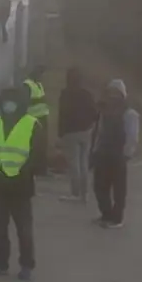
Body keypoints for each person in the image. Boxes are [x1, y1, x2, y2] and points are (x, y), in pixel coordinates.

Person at [0, 87, 42, 281]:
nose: (9, 105)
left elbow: (37, 156)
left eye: (12, 101)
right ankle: (0, 264)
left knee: (23, 228)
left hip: (20, 186)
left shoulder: (32, 124)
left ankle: (26, 265)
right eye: (6, 101)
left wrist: (25, 173)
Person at [90, 79, 140, 228]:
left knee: (118, 189)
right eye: (110, 92)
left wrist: (127, 153)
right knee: (99, 186)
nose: (112, 96)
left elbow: (132, 136)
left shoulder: (129, 113)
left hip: (118, 155)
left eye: (116, 93)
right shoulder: (104, 111)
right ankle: (106, 214)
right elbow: (99, 132)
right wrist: (94, 151)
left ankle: (117, 218)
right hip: (103, 153)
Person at [57, 68, 99, 203]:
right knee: (83, 163)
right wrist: (90, 125)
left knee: (74, 164)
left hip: (70, 132)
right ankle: (84, 193)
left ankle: (75, 193)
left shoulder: (65, 94)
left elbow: (62, 114)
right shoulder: (87, 94)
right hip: (85, 132)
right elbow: (95, 113)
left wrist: (60, 133)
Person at [22, 65, 51, 176]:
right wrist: (39, 100)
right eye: (40, 74)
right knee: (34, 145)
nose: (41, 76)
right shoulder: (27, 85)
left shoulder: (39, 84)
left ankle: (42, 169)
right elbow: (25, 101)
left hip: (43, 118)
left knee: (42, 145)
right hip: (33, 119)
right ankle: (33, 169)